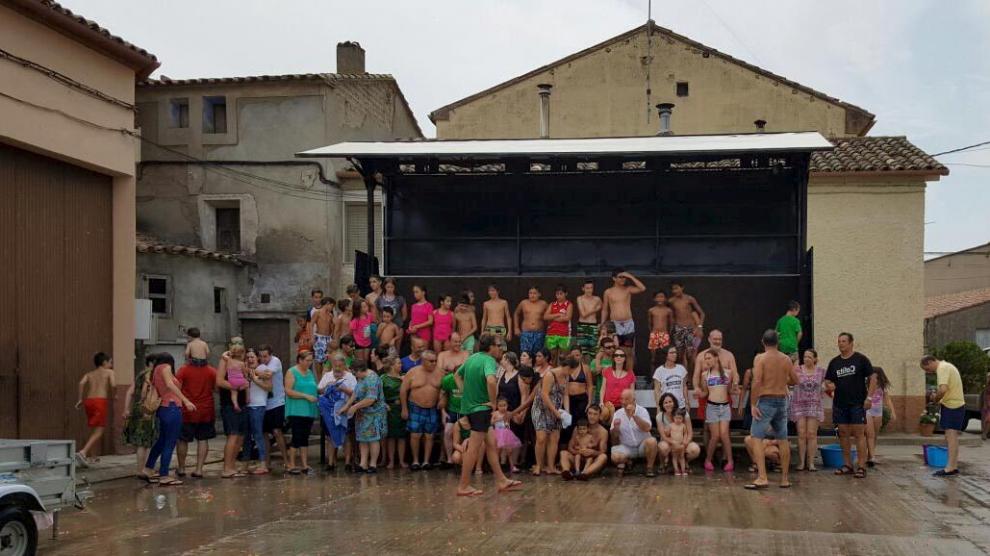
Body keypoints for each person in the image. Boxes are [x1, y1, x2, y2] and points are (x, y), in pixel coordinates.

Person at [455, 333, 522, 496]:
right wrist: (493, 403)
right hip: (480, 410)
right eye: (498, 345)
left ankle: (501, 480)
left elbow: (457, 375)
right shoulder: (489, 361)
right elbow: (491, 381)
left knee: (491, 444)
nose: (500, 349)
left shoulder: (472, 358)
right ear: (490, 347)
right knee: (473, 449)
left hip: (472, 409)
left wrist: (466, 393)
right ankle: (463, 486)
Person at [746, 330, 799, 490]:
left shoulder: (760, 358)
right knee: (783, 439)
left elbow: (756, 381)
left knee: (756, 437)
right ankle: (784, 479)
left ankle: (762, 477)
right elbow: (795, 380)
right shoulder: (786, 359)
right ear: (778, 342)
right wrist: (782, 379)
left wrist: (753, 404)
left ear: (763, 342)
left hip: (766, 399)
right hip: (782, 400)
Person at [823, 332, 876, 479]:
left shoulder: (860, 359)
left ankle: (861, 466)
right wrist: (829, 385)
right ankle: (847, 465)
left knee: (859, 434)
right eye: (839, 341)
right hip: (840, 404)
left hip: (857, 404)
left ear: (851, 343)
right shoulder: (834, 362)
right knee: (843, 434)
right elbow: (827, 382)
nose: (841, 344)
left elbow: (873, 378)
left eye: (844, 341)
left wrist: (869, 398)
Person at [141, 353, 196, 486]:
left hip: (163, 408)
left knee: (161, 441)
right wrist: (186, 400)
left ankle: (148, 468)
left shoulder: (155, 371)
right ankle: (164, 475)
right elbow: (170, 385)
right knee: (169, 443)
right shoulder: (165, 367)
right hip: (172, 407)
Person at [921, 355, 965, 477]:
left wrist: (935, 398)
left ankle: (950, 468)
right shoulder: (948, 366)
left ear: (930, 362)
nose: (928, 372)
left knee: (950, 437)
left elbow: (943, 389)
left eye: (927, 369)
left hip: (952, 406)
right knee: (952, 437)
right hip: (955, 405)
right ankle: (953, 466)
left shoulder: (942, 368)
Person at [175, 353, 217, 479]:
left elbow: (176, 387)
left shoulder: (183, 370)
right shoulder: (212, 371)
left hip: (187, 410)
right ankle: (199, 469)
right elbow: (216, 388)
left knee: (182, 439)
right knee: (203, 439)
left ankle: (181, 468)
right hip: (206, 410)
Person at [342, 360, 387, 473]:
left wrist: (355, 407)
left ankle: (373, 464)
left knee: (372, 439)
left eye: (354, 373)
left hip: (374, 413)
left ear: (360, 371)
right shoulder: (361, 377)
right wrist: (347, 406)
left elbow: (371, 399)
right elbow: (356, 392)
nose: (354, 376)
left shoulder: (372, 379)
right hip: (363, 414)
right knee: (362, 439)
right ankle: (363, 464)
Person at [401, 349, 442, 470]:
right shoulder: (412, 372)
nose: (434, 363)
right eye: (431, 361)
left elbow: (444, 390)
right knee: (415, 435)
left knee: (429, 435)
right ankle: (415, 461)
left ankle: (426, 461)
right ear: (423, 361)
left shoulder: (440, 373)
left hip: (432, 408)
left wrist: (442, 399)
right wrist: (404, 408)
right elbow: (403, 390)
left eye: (435, 361)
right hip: (415, 406)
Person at [530, 358, 571, 475]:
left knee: (554, 438)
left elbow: (566, 394)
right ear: (566, 367)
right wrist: (555, 412)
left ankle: (551, 466)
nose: (571, 374)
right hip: (542, 409)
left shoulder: (566, 377)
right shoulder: (550, 375)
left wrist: (566, 412)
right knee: (541, 438)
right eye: (571, 371)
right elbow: (544, 395)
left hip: (556, 410)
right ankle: (539, 465)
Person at [698, 350, 737, 472]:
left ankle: (730, 461)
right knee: (715, 436)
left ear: (716, 358)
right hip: (712, 407)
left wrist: (735, 390)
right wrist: (699, 393)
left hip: (724, 407)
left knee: (724, 434)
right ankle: (708, 460)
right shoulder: (705, 375)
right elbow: (705, 392)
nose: (707, 361)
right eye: (706, 359)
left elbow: (729, 390)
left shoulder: (728, 373)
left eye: (709, 358)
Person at [75, 352, 116, 465]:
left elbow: (81, 383)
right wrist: (114, 395)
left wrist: (80, 399)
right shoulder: (109, 372)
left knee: (94, 428)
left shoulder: (90, 374)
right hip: (100, 401)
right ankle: (83, 452)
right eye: (110, 362)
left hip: (89, 401)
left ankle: (93, 457)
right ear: (104, 362)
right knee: (99, 430)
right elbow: (113, 385)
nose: (111, 365)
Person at [601, 270, 647, 371]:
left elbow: (642, 288)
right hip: (614, 324)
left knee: (628, 352)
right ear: (614, 278)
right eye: (620, 277)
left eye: (624, 277)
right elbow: (605, 309)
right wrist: (602, 324)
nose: (623, 279)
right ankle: (617, 375)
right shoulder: (608, 292)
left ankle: (629, 376)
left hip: (628, 324)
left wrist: (630, 276)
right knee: (615, 350)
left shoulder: (628, 289)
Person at [789, 349, 826, 472]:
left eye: (810, 357)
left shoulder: (821, 371)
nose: (806, 359)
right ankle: (801, 462)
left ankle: (811, 463)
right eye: (805, 357)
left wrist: (826, 388)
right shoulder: (797, 369)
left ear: (815, 359)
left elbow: (830, 384)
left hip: (814, 406)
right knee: (801, 434)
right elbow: (789, 381)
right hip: (799, 405)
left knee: (811, 434)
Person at [122, 354, 159, 475]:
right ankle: (143, 470)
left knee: (140, 442)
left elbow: (130, 392)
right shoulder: (151, 374)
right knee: (146, 442)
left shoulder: (140, 375)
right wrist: (146, 403)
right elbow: (145, 390)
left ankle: (140, 469)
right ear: (153, 363)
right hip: (146, 409)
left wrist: (126, 409)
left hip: (137, 408)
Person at [318, 353, 356, 470]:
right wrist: (327, 386)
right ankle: (330, 463)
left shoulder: (350, 377)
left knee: (346, 436)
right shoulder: (327, 376)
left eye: (340, 365)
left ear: (344, 365)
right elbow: (319, 391)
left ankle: (347, 462)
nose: (338, 368)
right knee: (330, 437)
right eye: (335, 365)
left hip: (345, 410)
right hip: (329, 412)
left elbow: (356, 394)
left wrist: (343, 388)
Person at [610, 389, 658, 477]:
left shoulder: (642, 411)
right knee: (615, 457)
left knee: (652, 441)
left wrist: (634, 416)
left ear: (634, 400)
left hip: (642, 446)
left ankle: (649, 468)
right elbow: (614, 438)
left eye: (627, 399)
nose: (623, 402)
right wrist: (616, 428)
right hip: (627, 447)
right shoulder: (618, 414)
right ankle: (628, 461)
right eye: (622, 399)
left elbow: (647, 428)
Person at [284, 350, 318, 475]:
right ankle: (291, 464)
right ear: (300, 360)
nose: (310, 363)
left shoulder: (309, 373)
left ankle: (304, 464)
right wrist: (305, 396)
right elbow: (288, 391)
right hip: (296, 410)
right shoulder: (292, 372)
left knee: (305, 437)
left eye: (311, 360)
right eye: (307, 360)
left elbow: (313, 387)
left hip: (309, 410)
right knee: (296, 437)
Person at [217, 349, 249, 479]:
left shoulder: (242, 363)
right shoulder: (225, 361)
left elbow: (247, 377)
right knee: (233, 434)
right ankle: (226, 468)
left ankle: (232, 466)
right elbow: (219, 381)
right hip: (229, 404)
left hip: (242, 403)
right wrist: (235, 386)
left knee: (241, 435)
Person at [692, 330, 737, 421]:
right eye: (715, 339)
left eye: (720, 339)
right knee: (706, 425)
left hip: (724, 394)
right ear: (709, 339)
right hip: (706, 394)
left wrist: (735, 384)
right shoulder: (701, 356)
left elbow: (735, 374)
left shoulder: (729, 355)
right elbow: (696, 376)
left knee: (724, 425)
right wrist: (696, 387)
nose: (717, 341)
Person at [497, 352, 529, 472]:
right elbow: (497, 392)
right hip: (502, 410)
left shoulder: (518, 376)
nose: (501, 359)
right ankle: (503, 462)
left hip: (514, 410)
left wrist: (521, 412)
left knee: (514, 437)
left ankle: (514, 464)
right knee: (502, 437)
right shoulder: (502, 374)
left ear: (508, 360)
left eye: (503, 357)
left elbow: (524, 395)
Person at [242, 349, 272, 474]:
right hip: (247, 406)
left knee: (258, 435)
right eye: (248, 357)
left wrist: (255, 380)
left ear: (257, 358)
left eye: (252, 357)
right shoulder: (245, 370)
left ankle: (263, 464)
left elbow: (269, 387)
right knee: (246, 437)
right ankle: (245, 464)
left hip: (258, 406)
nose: (250, 359)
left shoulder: (263, 368)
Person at [560, 404, 608, 480]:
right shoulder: (579, 428)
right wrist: (578, 452)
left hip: (591, 462)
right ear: (587, 414)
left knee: (603, 457)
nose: (592, 416)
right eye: (590, 413)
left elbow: (603, 451)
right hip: (577, 459)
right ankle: (566, 472)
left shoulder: (603, 432)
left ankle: (585, 473)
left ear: (599, 416)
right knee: (563, 453)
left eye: (595, 414)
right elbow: (570, 447)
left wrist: (593, 452)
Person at [656, 393, 701, 472]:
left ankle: (684, 463)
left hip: (682, 441)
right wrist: (673, 443)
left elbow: (690, 433)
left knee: (695, 449)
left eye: (670, 402)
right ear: (662, 405)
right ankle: (664, 464)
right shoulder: (660, 416)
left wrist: (685, 443)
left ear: (674, 402)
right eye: (665, 403)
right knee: (663, 447)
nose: (668, 404)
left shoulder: (684, 414)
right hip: (668, 442)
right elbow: (663, 436)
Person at [259, 345, 287, 471]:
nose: (263, 359)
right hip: (264, 403)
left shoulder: (275, 361)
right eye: (261, 356)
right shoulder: (260, 365)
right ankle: (267, 463)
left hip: (277, 401)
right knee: (264, 433)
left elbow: (268, 374)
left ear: (270, 355)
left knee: (277, 431)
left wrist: (252, 372)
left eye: (265, 356)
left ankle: (287, 461)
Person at [668, 281, 705, 369]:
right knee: (680, 356)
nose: (675, 291)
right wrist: (670, 330)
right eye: (673, 289)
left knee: (690, 355)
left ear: (682, 288)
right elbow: (671, 316)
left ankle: (691, 378)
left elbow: (702, 313)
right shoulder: (671, 301)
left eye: (676, 288)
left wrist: (699, 327)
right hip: (679, 329)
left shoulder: (689, 299)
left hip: (690, 329)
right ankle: (683, 378)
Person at [561, 347, 593, 445]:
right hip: (569, 399)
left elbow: (590, 386)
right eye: (573, 355)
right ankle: (566, 448)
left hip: (582, 398)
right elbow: (564, 389)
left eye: (577, 355)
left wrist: (589, 401)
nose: (575, 357)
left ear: (581, 355)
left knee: (580, 424)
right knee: (567, 424)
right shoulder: (566, 369)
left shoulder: (585, 368)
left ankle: (580, 446)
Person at [864, 366, 896, 467]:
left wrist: (893, 412)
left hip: (878, 412)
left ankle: (870, 457)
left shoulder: (882, 386)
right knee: (870, 434)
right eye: (871, 376)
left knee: (875, 436)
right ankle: (872, 457)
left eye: (875, 377)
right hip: (867, 411)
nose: (873, 379)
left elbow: (887, 399)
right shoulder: (865, 385)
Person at [379, 356, 407, 469]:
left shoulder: (404, 377)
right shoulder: (383, 378)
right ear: (391, 365)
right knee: (390, 436)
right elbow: (378, 393)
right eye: (398, 363)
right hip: (389, 409)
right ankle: (390, 461)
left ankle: (401, 460)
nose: (401, 365)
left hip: (401, 407)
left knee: (401, 436)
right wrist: (384, 404)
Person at [439, 352, 464, 469]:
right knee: (448, 431)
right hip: (452, 410)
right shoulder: (448, 380)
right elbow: (443, 395)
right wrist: (443, 411)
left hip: (465, 411)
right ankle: (449, 459)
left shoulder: (468, 379)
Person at [600, 349, 635, 425]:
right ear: (613, 358)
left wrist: (632, 404)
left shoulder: (630, 373)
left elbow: (632, 392)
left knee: (620, 428)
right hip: (609, 405)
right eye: (616, 355)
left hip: (623, 405)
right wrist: (601, 402)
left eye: (621, 355)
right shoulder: (607, 371)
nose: (619, 357)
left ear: (625, 358)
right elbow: (603, 388)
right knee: (607, 425)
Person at [543, 284, 573, 365]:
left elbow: (567, 318)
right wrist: (558, 314)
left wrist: (552, 317)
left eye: (561, 294)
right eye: (557, 294)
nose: (559, 296)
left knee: (563, 357)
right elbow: (545, 316)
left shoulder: (569, 304)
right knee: (552, 356)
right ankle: (553, 374)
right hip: (552, 333)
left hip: (564, 334)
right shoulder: (552, 304)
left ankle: (562, 374)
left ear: (565, 294)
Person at [515, 286, 549, 357]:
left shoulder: (544, 304)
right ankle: (525, 368)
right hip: (526, 333)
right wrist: (516, 327)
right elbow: (516, 314)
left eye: (534, 293)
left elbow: (549, 316)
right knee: (525, 354)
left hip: (539, 334)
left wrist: (549, 330)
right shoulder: (523, 303)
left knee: (538, 355)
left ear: (539, 294)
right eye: (530, 293)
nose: (532, 295)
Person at [653, 345, 689, 410]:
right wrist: (658, 407)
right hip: (666, 407)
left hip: (680, 406)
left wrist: (687, 403)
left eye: (675, 352)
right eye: (672, 353)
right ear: (666, 355)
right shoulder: (659, 371)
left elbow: (684, 387)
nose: (674, 354)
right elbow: (657, 391)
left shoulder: (681, 369)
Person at [575, 280, 603, 362]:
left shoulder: (597, 299)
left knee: (593, 349)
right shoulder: (579, 298)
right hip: (582, 325)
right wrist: (595, 309)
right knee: (582, 349)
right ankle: (582, 371)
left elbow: (603, 309)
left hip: (593, 325)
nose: (589, 290)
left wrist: (601, 324)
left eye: (591, 288)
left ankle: (592, 371)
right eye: (587, 288)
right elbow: (583, 314)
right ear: (583, 288)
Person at [376, 277, 408, 347]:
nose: (390, 289)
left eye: (392, 287)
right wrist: (381, 322)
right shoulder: (380, 299)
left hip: (398, 325)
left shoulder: (400, 299)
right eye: (388, 287)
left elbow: (404, 315)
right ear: (384, 287)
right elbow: (377, 312)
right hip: (384, 326)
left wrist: (398, 324)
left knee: (396, 349)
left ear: (395, 287)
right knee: (383, 346)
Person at [492, 397, 522, 467]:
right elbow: (491, 422)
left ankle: (512, 466)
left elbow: (516, 421)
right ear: (497, 406)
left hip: (507, 434)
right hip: (498, 433)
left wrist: (518, 418)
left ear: (507, 405)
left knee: (510, 451)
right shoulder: (495, 413)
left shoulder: (508, 413)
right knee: (498, 450)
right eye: (500, 406)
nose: (503, 407)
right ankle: (496, 466)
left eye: (504, 405)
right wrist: (499, 419)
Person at [647, 291, 674, 364]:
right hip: (654, 333)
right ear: (654, 299)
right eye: (658, 297)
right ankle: (653, 374)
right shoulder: (651, 310)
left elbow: (671, 323)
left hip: (664, 334)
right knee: (653, 357)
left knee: (666, 355)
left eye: (662, 297)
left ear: (665, 298)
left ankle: (664, 373)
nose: (660, 299)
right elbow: (649, 323)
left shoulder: (668, 310)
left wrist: (668, 333)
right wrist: (652, 332)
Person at [590, 338, 616, 405]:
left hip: (615, 394)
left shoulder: (618, 359)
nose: (612, 349)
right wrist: (599, 365)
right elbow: (592, 378)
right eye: (608, 347)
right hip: (600, 394)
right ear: (602, 348)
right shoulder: (595, 362)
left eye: (613, 347)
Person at [312, 297, 336, 366]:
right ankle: (319, 377)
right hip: (319, 337)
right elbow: (311, 325)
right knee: (319, 360)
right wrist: (311, 337)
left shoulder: (330, 315)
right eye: (332, 306)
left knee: (328, 359)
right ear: (327, 304)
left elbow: (332, 329)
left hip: (328, 338)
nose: (332, 308)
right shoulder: (317, 313)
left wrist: (334, 323)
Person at [667, 409, 690, 476]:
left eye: (680, 418)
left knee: (682, 457)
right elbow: (667, 434)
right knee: (674, 457)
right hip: (674, 445)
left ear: (682, 418)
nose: (678, 420)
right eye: (676, 418)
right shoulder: (671, 425)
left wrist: (685, 440)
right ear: (673, 418)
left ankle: (683, 470)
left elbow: (685, 433)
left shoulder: (683, 425)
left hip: (681, 445)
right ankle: (676, 470)